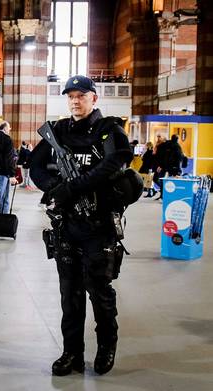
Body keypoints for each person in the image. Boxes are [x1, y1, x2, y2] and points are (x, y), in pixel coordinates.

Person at [29, 75, 133, 376]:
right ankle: (72, 353)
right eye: (71, 96)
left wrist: (74, 187)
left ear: (94, 98)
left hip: (98, 225)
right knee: (69, 293)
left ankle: (106, 347)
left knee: (99, 291)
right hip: (66, 225)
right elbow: (35, 166)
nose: (75, 101)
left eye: (82, 96)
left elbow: (116, 162)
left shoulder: (108, 129)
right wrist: (53, 187)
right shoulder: (58, 131)